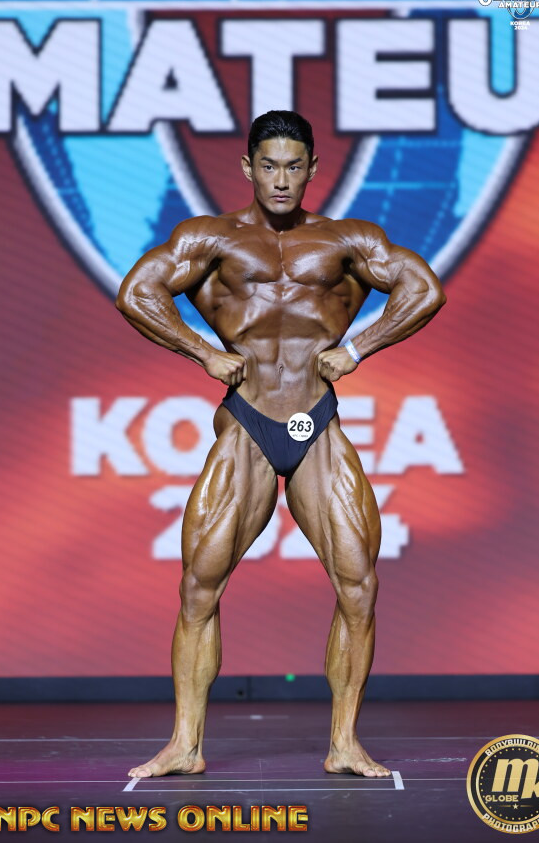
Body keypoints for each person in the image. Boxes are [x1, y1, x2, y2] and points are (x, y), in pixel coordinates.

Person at [116, 110, 446, 779]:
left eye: (294, 166)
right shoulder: (211, 238)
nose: (281, 179)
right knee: (199, 588)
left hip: (315, 422)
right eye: (269, 165)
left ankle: (344, 743)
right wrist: (202, 351)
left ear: (312, 170)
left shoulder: (345, 240)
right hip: (247, 421)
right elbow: (136, 292)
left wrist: (359, 347)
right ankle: (185, 745)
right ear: (248, 167)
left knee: (359, 586)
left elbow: (424, 287)